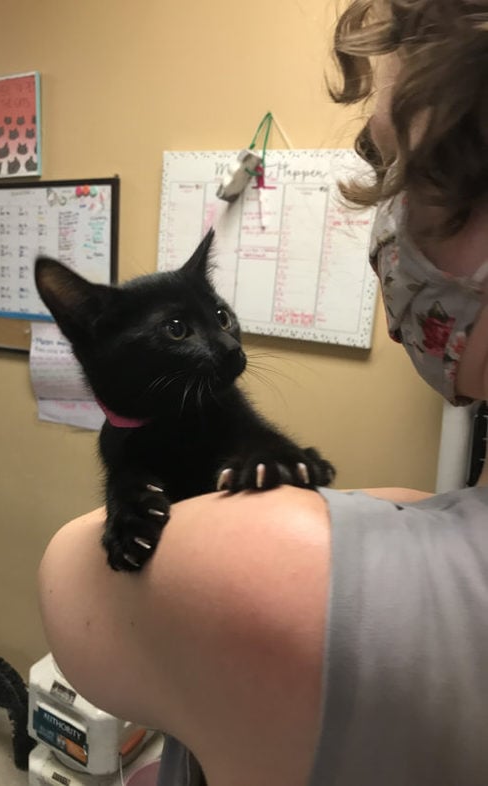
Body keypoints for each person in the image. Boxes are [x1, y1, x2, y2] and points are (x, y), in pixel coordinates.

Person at [38, 1, 488, 784]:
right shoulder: (446, 520)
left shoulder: (275, 573)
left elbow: (71, 586)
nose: (389, 212)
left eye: (406, 170)